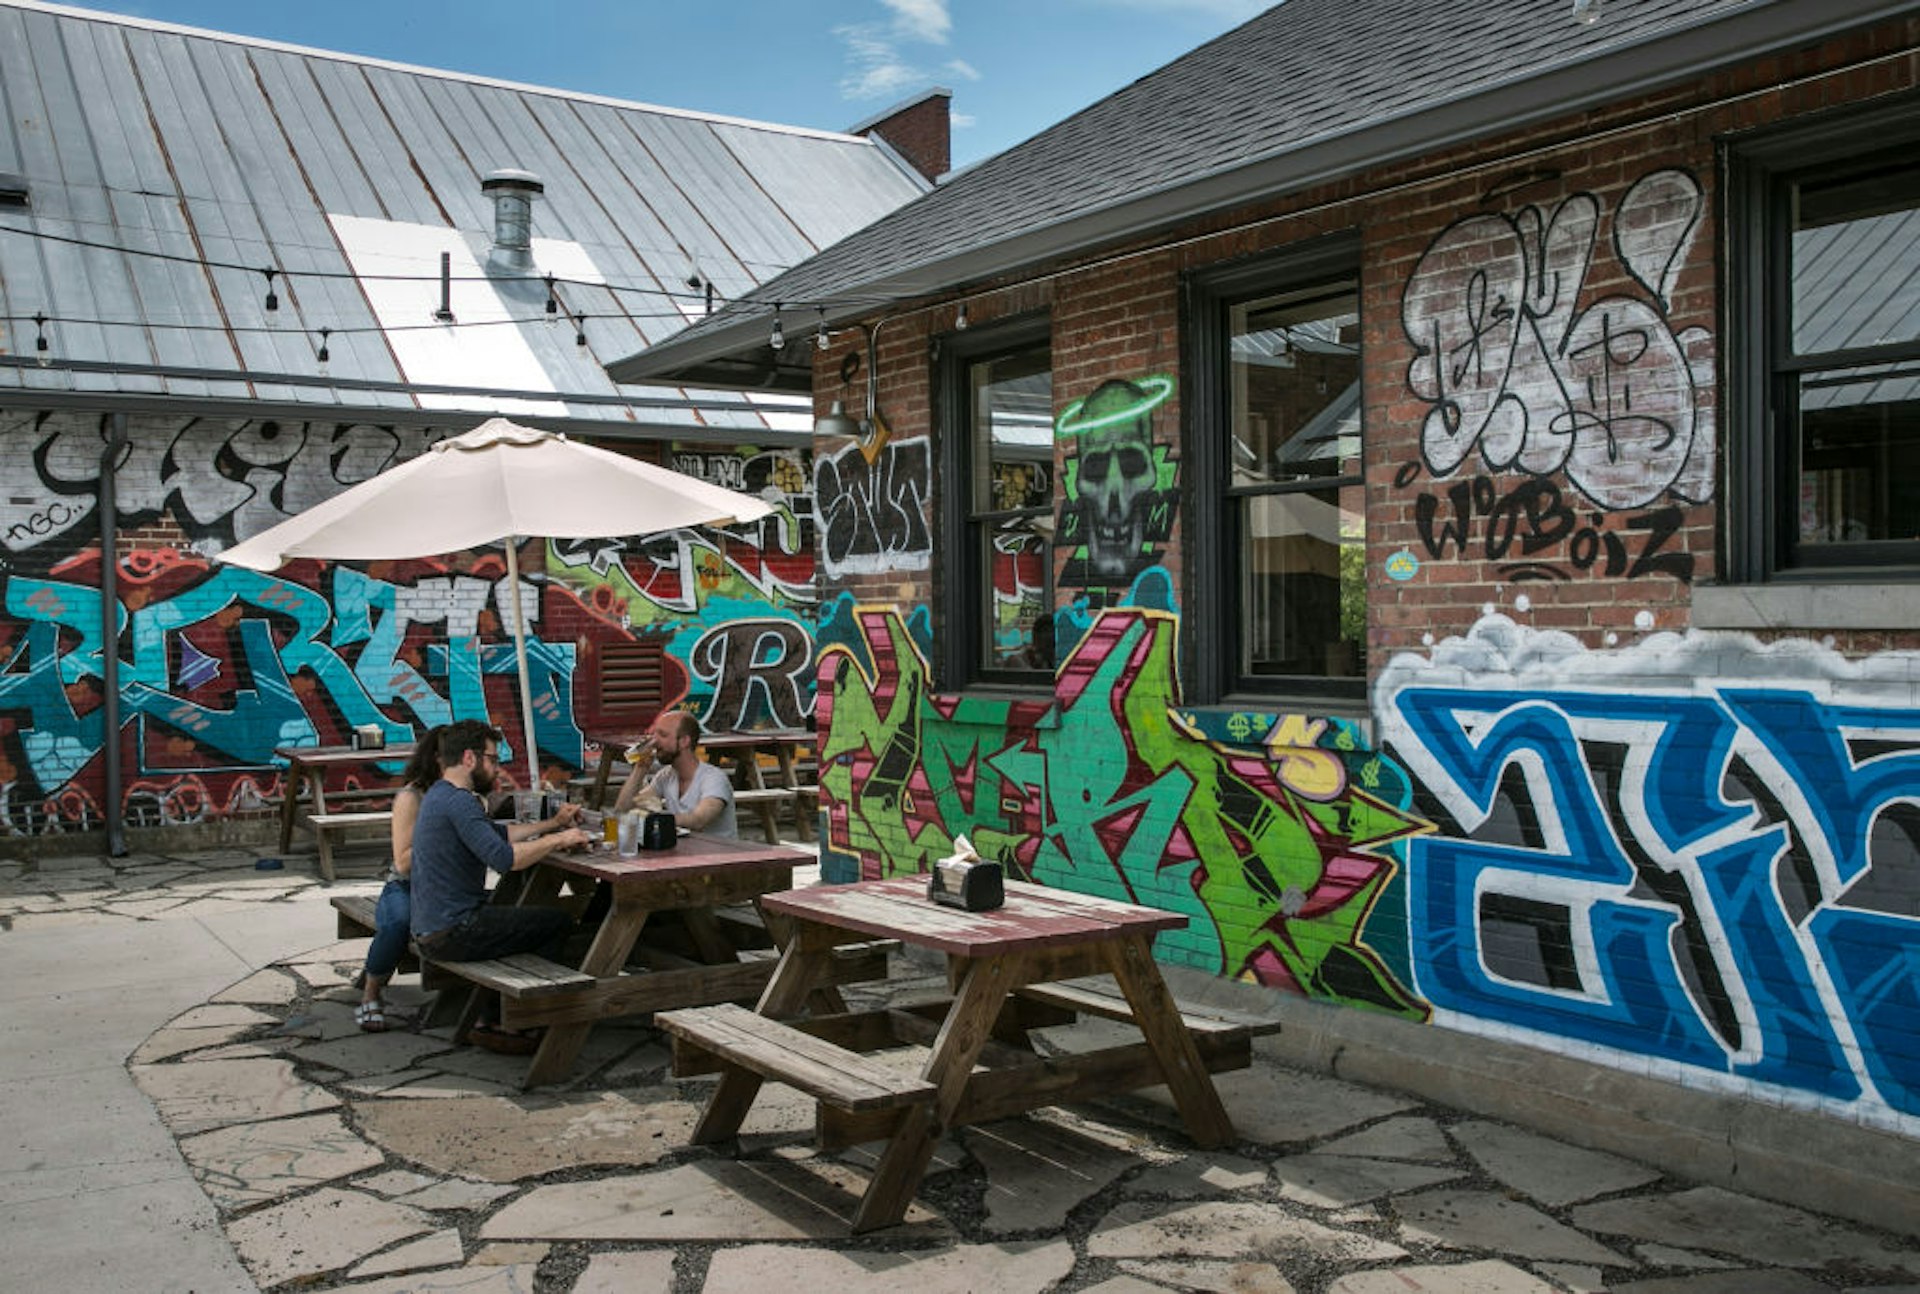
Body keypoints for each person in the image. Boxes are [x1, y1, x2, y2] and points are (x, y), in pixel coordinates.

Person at [409, 719, 593, 1053]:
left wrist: (553, 823)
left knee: (520, 917)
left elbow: (498, 835)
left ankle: (493, 1016)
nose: (496, 768)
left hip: (430, 927)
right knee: (557, 922)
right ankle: (522, 1021)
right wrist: (559, 839)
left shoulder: (440, 794)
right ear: (469, 759)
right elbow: (505, 859)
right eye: (492, 760)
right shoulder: (460, 802)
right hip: (452, 931)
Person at [354, 727, 444, 1032]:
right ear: (436, 758)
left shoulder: (467, 795)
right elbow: (403, 862)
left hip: (447, 890)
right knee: (397, 924)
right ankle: (371, 993)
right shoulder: (412, 796)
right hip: (406, 886)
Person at [610, 710, 737, 838]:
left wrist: (657, 819)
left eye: (663, 735)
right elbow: (622, 810)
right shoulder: (666, 775)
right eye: (654, 734)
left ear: (684, 741)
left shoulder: (714, 778)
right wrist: (640, 768)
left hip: (720, 855)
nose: (655, 741)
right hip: (686, 854)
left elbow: (699, 820)